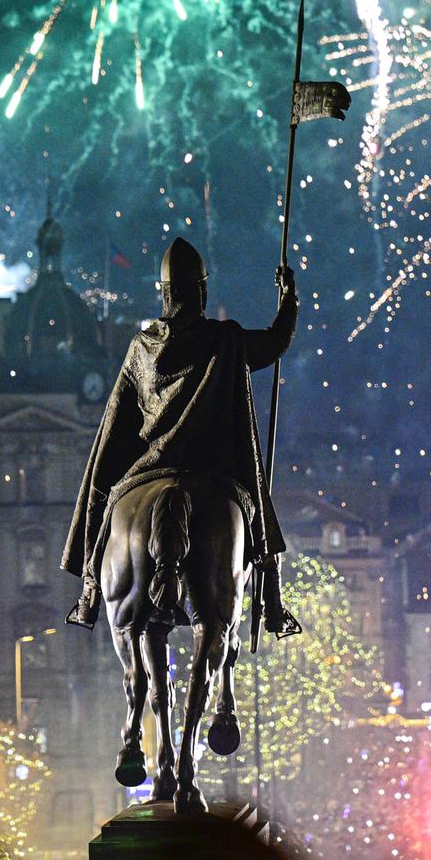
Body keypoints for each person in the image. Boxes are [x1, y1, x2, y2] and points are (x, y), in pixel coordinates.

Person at [61, 237, 300, 637]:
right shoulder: (225, 338)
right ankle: (272, 601)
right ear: (201, 291)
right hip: (214, 465)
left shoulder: (143, 346)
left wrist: (108, 473)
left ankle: (89, 589)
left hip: (151, 464)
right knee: (257, 510)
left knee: (105, 505)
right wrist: (289, 297)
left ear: (165, 294)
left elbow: (118, 420)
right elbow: (276, 341)